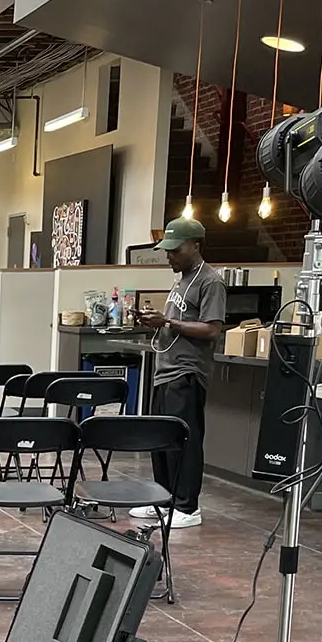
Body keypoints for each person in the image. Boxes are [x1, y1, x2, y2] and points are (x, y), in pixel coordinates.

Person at [135, 219, 225, 528]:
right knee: (162, 439)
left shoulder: (209, 281)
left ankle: (187, 506)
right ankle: (164, 498)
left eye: (175, 250)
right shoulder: (183, 278)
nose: (169, 256)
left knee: (185, 440)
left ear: (195, 246)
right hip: (166, 371)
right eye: (167, 251)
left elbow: (212, 329)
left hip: (187, 373)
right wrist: (157, 321)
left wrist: (168, 324)